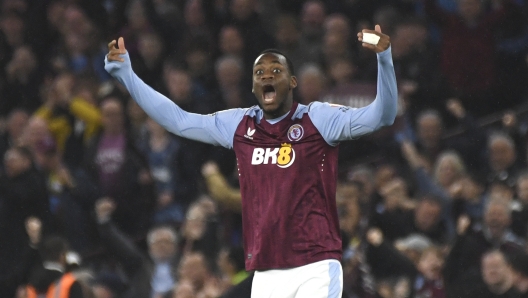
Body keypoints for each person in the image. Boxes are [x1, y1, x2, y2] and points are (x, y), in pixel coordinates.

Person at [105, 23, 397, 297]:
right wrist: (127, 76)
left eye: (275, 70)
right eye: (259, 72)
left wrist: (384, 59)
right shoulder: (240, 125)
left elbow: (381, 116)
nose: (266, 75)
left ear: (293, 81)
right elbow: (178, 121)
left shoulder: (318, 118)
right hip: (266, 270)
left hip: (315, 264)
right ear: (253, 87)